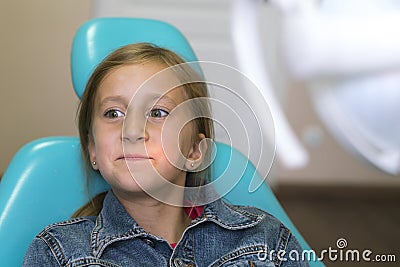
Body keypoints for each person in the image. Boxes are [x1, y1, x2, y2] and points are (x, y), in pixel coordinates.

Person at [22, 43, 308, 266]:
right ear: (93, 150)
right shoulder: (58, 253)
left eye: (158, 113)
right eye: (114, 113)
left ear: (195, 151)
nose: (132, 131)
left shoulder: (265, 239)